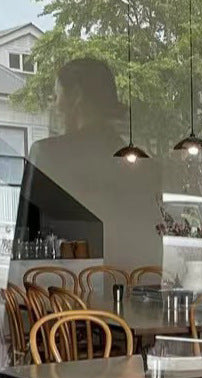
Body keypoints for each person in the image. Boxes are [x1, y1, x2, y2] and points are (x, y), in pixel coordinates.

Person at [26, 57, 163, 269]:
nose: (54, 106)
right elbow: (151, 255)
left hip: (65, 286)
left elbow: (28, 247)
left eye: (57, 96)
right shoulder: (143, 168)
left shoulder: (46, 155)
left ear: (76, 96)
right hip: (124, 286)